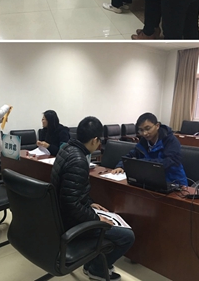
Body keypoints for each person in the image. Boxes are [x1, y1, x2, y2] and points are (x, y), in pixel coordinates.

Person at [51, 116, 135, 281]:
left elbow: (71, 192)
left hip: (60, 216)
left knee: (109, 218)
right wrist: (96, 219)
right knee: (127, 236)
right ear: (95, 140)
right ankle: (96, 270)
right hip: (71, 222)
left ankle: (92, 264)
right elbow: (70, 204)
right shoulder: (78, 160)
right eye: (99, 141)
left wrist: (90, 203)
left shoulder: (66, 148)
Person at [110, 113, 187, 186]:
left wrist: (142, 163)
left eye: (148, 128)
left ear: (157, 126)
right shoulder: (144, 141)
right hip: (151, 181)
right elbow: (129, 156)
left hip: (174, 182)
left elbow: (168, 162)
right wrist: (120, 166)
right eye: (141, 130)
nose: (145, 133)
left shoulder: (170, 140)